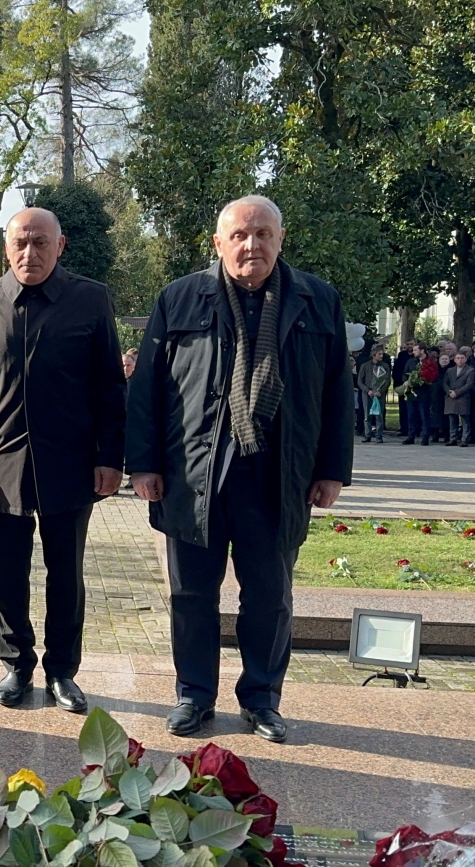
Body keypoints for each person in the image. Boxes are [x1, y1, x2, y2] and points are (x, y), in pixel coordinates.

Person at [126, 195, 352, 744]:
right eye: (241, 235)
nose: (252, 245)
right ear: (218, 243)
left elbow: (337, 394)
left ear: (280, 238)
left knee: (270, 597)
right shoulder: (180, 298)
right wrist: (144, 465)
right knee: (191, 595)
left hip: (278, 476)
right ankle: (194, 695)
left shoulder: (317, 301)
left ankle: (261, 699)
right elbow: (148, 390)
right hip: (196, 475)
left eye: (263, 234)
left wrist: (332, 471)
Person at [0, 208, 126, 713]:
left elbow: (109, 387)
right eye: (19, 242)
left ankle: (62, 671)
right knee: (7, 571)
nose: (28, 253)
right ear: (6, 245)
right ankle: (16, 665)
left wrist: (110, 457)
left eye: (40, 243)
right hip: (0, 460)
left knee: (66, 572)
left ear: (61, 245)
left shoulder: (90, 299)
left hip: (71, 463)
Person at [358, 346, 390, 443]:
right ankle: (367, 435)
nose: (381, 356)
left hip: (379, 393)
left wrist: (380, 391)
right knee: (367, 415)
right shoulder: (365, 366)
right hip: (368, 393)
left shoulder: (385, 366)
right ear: (373, 355)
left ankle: (379, 435)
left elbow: (387, 380)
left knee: (379, 415)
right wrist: (367, 390)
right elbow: (360, 381)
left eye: (382, 354)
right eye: (379, 354)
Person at [403, 344, 434, 445]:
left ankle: (425, 437)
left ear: (422, 350)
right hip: (412, 393)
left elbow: (432, 377)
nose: (413, 352)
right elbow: (405, 373)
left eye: (416, 350)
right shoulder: (411, 361)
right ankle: (411, 436)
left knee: (424, 416)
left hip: (424, 393)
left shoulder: (429, 362)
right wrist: (406, 381)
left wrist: (422, 380)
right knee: (411, 415)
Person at [444, 351, 473, 446]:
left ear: (466, 359)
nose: (460, 360)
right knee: (452, 419)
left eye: (462, 358)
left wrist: (457, 392)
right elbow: (444, 383)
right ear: (455, 360)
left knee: (465, 419)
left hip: (463, 397)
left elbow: (469, 384)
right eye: (458, 358)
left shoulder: (470, 370)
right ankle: (453, 438)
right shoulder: (450, 370)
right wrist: (449, 392)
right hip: (451, 397)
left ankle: (465, 439)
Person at [393, 339, 415, 435]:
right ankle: (404, 428)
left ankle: (414, 429)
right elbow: (397, 370)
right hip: (402, 384)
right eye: (408, 344)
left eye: (412, 344)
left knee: (414, 408)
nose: (410, 346)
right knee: (403, 408)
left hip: (414, 385)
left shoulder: (417, 356)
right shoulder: (402, 355)